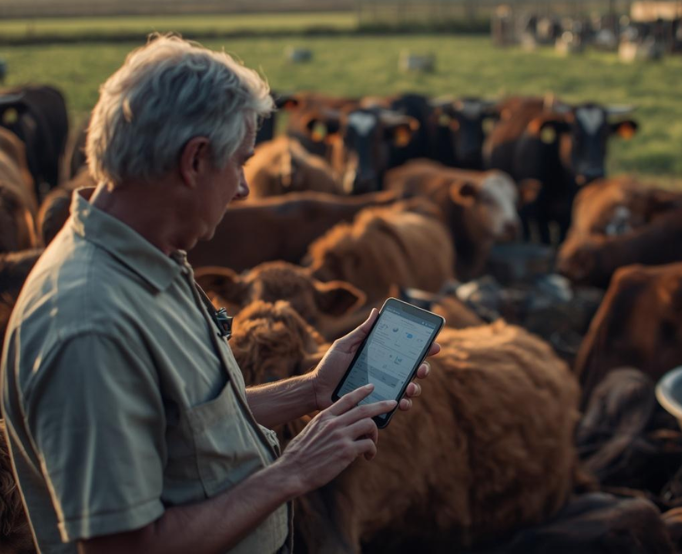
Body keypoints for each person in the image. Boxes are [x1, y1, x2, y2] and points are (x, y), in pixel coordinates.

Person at [0, 34, 438, 554]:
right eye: (241, 162)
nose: (245, 188)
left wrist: (311, 390)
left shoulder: (150, 261)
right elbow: (123, 547)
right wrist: (292, 471)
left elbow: (181, 428)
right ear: (195, 161)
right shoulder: (89, 325)